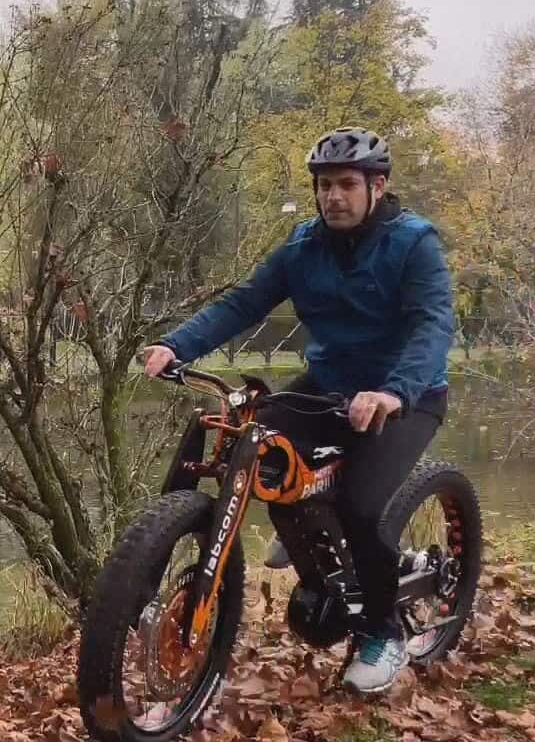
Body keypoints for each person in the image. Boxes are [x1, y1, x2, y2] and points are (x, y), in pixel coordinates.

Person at [140, 126, 456, 693]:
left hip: (407, 395)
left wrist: (393, 392)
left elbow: (432, 324)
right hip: (330, 385)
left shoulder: (414, 243)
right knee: (259, 446)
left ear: (377, 187)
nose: (333, 197)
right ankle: (312, 522)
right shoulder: (303, 246)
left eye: (346, 185)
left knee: (360, 505)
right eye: (324, 186)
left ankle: (382, 633)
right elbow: (243, 303)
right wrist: (177, 345)